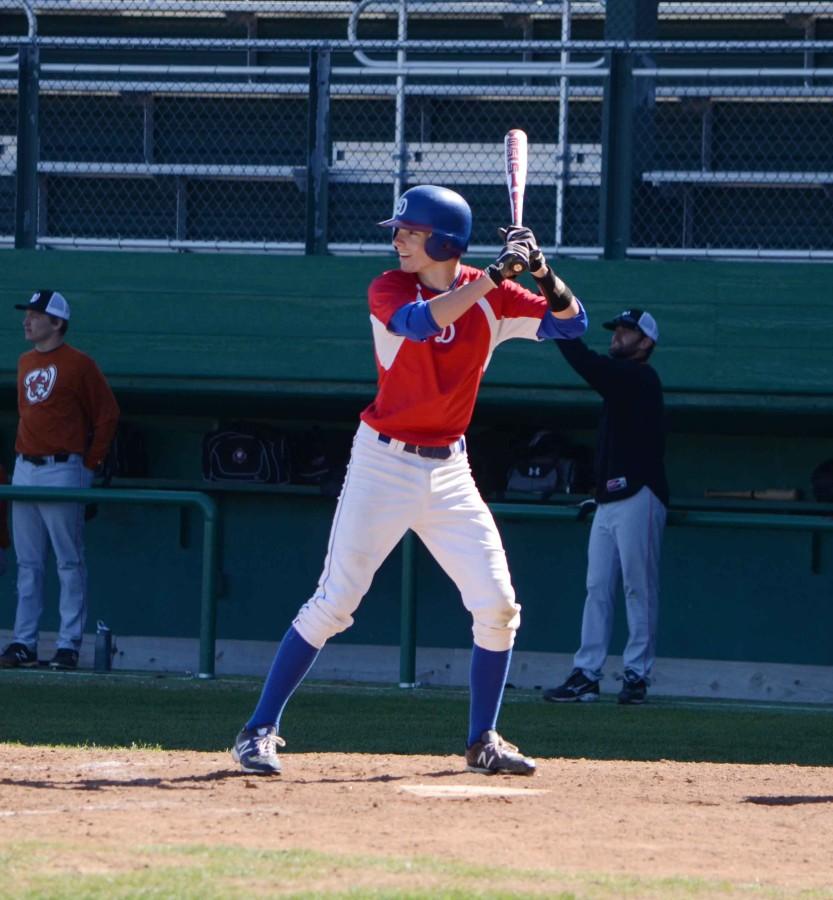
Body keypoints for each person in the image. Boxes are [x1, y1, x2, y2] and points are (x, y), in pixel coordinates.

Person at [231, 184, 588, 775]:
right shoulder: (391, 288)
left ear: (444, 240)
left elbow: (572, 325)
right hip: (384, 462)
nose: (397, 240)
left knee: (498, 605)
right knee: (335, 603)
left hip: (450, 468)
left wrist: (544, 272)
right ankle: (257, 729)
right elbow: (422, 323)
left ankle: (483, 741)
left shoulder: (492, 295)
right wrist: (496, 277)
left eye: (410, 232)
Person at [543, 309, 668, 705]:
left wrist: (560, 330)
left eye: (628, 331)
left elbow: (589, 365)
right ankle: (587, 674)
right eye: (617, 329)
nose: (618, 336)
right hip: (608, 500)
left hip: (640, 494)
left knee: (637, 588)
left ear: (646, 343)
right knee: (596, 588)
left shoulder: (641, 377)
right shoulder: (622, 383)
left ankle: (636, 676)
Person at [0, 290, 120, 671]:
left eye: (36, 315)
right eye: (28, 314)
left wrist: (90, 464)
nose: (27, 320)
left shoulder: (79, 364)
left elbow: (107, 414)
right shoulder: (23, 362)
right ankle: (23, 641)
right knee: (28, 563)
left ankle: (68, 644)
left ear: (57, 323)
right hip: (25, 467)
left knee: (69, 561)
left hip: (63, 466)